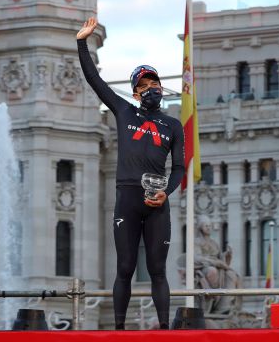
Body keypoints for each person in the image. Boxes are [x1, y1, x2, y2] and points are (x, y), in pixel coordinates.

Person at [76, 17, 185, 330]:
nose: (152, 89)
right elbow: (95, 80)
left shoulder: (172, 125)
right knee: (124, 267)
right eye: (145, 86)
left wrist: (168, 192)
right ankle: (120, 331)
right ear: (136, 92)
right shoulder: (124, 111)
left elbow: (178, 167)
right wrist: (82, 42)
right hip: (127, 197)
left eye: (155, 84)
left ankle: (165, 330)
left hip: (156, 203)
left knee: (157, 269)